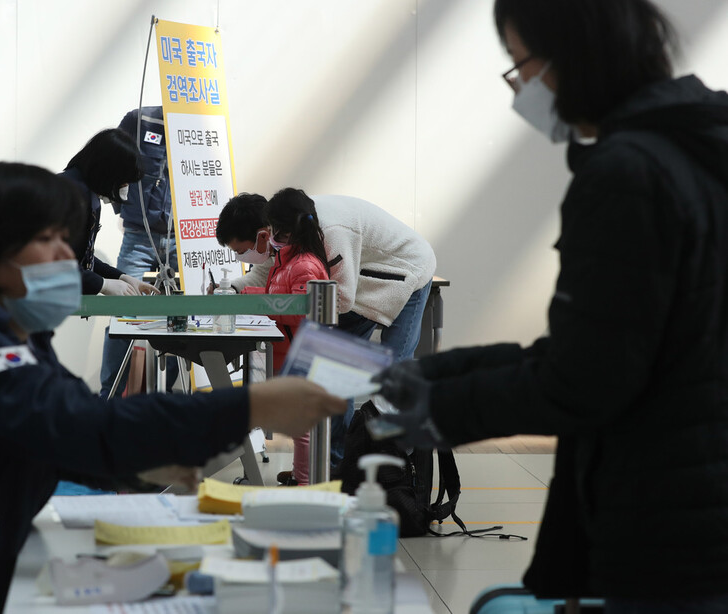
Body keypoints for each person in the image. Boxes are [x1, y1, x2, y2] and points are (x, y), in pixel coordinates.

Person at [0, 162, 346, 613]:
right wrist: (252, 403)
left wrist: (140, 463)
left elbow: (57, 419)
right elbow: (87, 427)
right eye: (47, 241)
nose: (68, 258)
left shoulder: (10, 331)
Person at [372, 0, 728, 610]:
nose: (520, 87)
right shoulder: (704, 143)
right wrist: (443, 372)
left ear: (576, 56)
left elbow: (589, 378)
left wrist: (444, 407)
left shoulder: (626, 173)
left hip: (666, 517)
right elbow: (615, 340)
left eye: (521, 64)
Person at [214, 188, 437, 475]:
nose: (240, 256)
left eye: (239, 250)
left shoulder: (327, 232)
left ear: (261, 234)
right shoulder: (283, 229)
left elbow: (339, 301)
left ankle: (397, 471)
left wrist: (276, 301)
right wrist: (232, 288)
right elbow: (267, 273)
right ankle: (334, 465)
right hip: (355, 281)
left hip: (407, 269)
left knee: (394, 372)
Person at [222, 192, 331, 485]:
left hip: (299, 353)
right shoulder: (285, 260)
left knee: (303, 427)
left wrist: (255, 301)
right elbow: (277, 297)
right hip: (285, 351)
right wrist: (248, 296)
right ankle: (300, 474)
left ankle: (307, 482)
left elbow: (299, 312)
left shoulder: (305, 265)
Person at [99, 107, 180, 398]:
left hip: (181, 242)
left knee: (180, 320)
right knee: (121, 315)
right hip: (138, 237)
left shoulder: (200, 121)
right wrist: (124, 209)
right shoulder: (139, 120)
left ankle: (165, 395)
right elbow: (111, 165)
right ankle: (109, 396)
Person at [60, 128, 159, 298]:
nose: (125, 186)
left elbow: (82, 257)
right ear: (108, 170)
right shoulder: (67, 196)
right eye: (123, 179)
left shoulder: (86, 194)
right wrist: (103, 284)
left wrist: (122, 277)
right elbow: (56, 263)